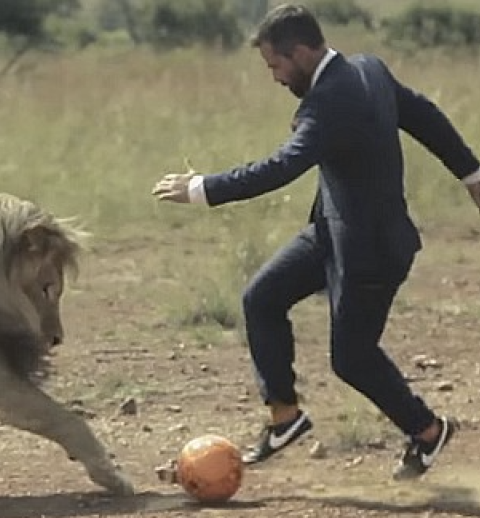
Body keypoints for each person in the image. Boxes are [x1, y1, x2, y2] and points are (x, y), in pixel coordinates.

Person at [151, 3, 480, 480]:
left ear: (302, 52)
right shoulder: (368, 68)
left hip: (373, 250)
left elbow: (282, 166)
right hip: (332, 230)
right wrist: (470, 174)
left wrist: (203, 188)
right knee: (261, 298)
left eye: (276, 65)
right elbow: (422, 114)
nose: (275, 77)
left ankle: (427, 430)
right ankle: (285, 416)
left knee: (351, 358)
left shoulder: (330, 103)